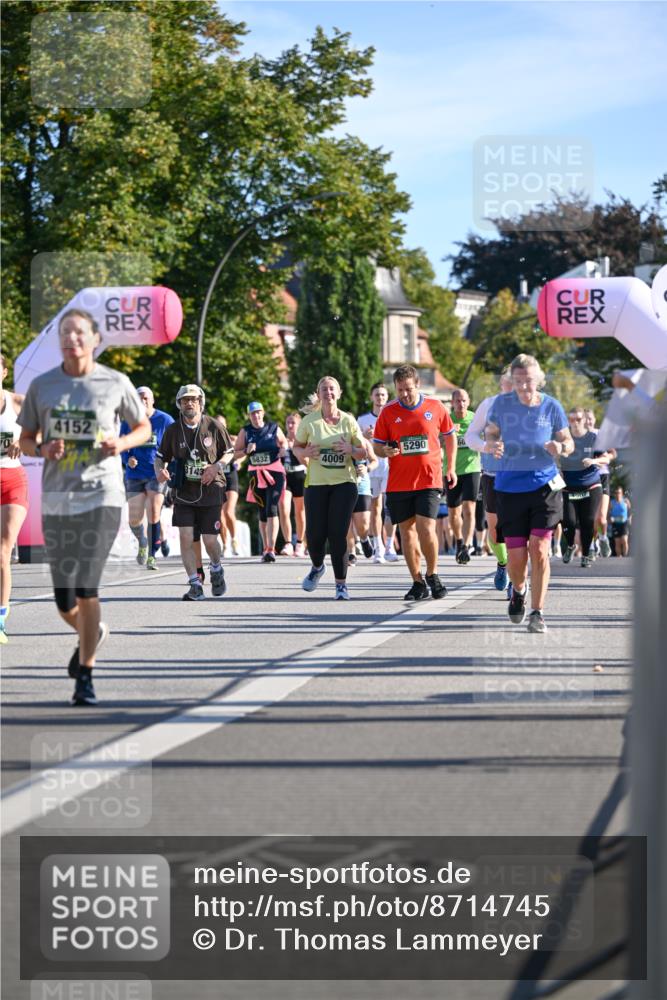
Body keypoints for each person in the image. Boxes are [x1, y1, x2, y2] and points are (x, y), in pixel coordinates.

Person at [18, 308, 150, 704]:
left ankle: (86, 675)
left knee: (87, 587)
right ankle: (91, 632)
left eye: (79, 333)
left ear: (94, 340)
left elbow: (142, 427)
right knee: (64, 598)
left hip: (103, 496)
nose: (71, 339)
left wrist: (121, 443)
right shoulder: (44, 386)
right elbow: (24, 439)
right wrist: (42, 448)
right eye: (65, 333)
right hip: (59, 500)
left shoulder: (114, 382)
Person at [484, 354, 574, 634]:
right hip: (510, 488)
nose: (524, 387)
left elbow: (568, 440)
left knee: (539, 549)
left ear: (540, 380)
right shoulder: (501, 405)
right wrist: (492, 445)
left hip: (544, 487)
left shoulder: (551, 406)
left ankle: (537, 612)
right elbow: (490, 434)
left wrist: (561, 449)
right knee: (516, 558)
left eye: (530, 381)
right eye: (519, 381)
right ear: (513, 381)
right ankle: (519, 590)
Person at [373, 365, 456, 601]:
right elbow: (377, 446)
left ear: (417, 385)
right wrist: (385, 451)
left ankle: (433, 574)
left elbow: (450, 436)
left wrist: (450, 468)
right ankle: (417, 582)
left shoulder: (435, 406)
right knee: (406, 532)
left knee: (426, 527)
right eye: (400, 390)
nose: (405, 395)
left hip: (429, 478)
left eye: (408, 389)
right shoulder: (388, 412)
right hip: (399, 482)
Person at [155, 384, 233, 600]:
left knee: (209, 540)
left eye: (194, 399)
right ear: (179, 405)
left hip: (210, 490)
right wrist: (160, 471)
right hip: (183, 492)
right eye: (185, 400)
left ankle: (216, 567)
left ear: (201, 402)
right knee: (186, 536)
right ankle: (195, 584)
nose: (189, 403)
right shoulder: (173, 430)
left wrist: (216, 467)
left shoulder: (214, 426)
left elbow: (228, 452)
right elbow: (160, 456)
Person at [293, 376, 366, 600]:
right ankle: (317, 567)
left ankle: (341, 585)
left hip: (344, 483)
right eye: (324, 389)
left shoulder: (348, 421)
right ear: (318, 393)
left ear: (339, 393)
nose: (328, 392)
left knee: (337, 534)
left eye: (332, 389)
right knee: (315, 536)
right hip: (316, 484)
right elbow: (296, 447)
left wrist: (349, 449)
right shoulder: (309, 421)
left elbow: (363, 451)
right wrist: (305, 454)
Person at [464, 367, 513, 592]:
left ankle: (516, 578)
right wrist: (486, 446)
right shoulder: (489, 404)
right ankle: (502, 563)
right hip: (492, 474)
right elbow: (470, 435)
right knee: (495, 530)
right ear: (502, 382)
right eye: (509, 380)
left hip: (520, 475)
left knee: (518, 528)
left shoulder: (532, 405)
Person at [121, 386, 174, 570]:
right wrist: (128, 459)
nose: (142, 401)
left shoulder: (165, 420)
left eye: (145, 398)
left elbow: (174, 445)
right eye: (138, 398)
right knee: (134, 518)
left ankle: (152, 555)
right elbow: (122, 446)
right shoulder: (128, 421)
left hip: (156, 473)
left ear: (152, 400)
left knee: (154, 510)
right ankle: (143, 541)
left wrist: (167, 465)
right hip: (135, 474)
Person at [234, 402, 288, 563]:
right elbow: (235, 453)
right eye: (252, 414)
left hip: (275, 472)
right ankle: (266, 547)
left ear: (263, 413)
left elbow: (284, 442)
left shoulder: (273, 428)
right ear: (249, 416)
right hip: (255, 474)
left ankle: (271, 549)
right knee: (263, 510)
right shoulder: (245, 431)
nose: (256, 416)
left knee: (272, 507)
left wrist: (283, 448)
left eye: (258, 413)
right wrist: (245, 451)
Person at [560, 407, 612, 569]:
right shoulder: (564, 438)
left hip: (591, 485)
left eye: (579, 419)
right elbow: (554, 457)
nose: (575, 422)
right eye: (572, 419)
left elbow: (607, 458)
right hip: (569, 488)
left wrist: (594, 461)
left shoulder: (593, 438)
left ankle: (586, 554)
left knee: (588, 521)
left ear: (584, 421)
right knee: (568, 521)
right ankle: (570, 546)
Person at [0, 354, 29, 644]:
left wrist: (22, 440)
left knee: (2, 552)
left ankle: (0, 618)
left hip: (12, 481)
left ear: (4, 372)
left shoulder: (18, 402)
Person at [357, 383, 399, 563]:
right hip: (372, 468)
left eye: (383, 395)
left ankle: (390, 546)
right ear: (371, 397)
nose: (380, 398)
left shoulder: (394, 416)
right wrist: (364, 438)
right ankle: (378, 548)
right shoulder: (363, 420)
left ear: (387, 397)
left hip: (391, 467)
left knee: (392, 509)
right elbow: (356, 446)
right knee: (375, 508)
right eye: (377, 395)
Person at [446, 388, 481, 565]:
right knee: (453, 513)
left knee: (469, 508)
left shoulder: (475, 419)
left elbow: (484, 439)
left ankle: (467, 546)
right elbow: (435, 442)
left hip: (472, 468)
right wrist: (449, 433)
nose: (461, 404)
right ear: (452, 403)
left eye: (464, 401)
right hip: (451, 470)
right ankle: (459, 541)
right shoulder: (446, 420)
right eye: (458, 401)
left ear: (468, 402)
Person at [583, 408, 615, 558]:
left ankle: (602, 538)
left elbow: (613, 452)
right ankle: (591, 544)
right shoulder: (577, 437)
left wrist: (606, 456)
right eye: (585, 419)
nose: (588, 421)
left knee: (601, 518)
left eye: (590, 418)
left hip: (602, 476)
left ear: (594, 419)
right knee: (590, 517)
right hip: (585, 479)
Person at [279, 412, 307, 557]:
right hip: (285, 477)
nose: (290, 426)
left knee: (299, 511)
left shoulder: (303, 440)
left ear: (299, 425)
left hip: (301, 476)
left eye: (293, 423)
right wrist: (280, 452)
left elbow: (308, 461)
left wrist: (295, 451)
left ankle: (300, 543)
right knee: (283, 507)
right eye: (288, 422)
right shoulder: (280, 440)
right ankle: (288, 543)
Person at [346, 443, 377, 565]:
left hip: (362, 486)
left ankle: (364, 539)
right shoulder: (337, 438)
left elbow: (375, 461)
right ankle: (351, 552)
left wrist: (367, 468)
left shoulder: (363, 441)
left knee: (363, 524)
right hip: (343, 484)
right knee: (346, 521)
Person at [216, 414, 243, 556]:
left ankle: (234, 540)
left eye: (222, 424)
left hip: (231, 477)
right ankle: (225, 544)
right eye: (217, 424)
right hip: (218, 479)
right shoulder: (210, 441)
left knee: (228, 511)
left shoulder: (233, 439)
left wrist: (240, 462)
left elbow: (244, 452)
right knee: (219, 515)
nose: (220, 426)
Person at [609, 486, 631, 556]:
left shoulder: (626, 501)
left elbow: (630, 511)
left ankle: (625, 556)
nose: (617, 494)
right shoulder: (612, 502)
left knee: (624, 540)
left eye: (619, 493)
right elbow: (608, 513)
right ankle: (619, 558)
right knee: (617, 542)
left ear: (621, 493)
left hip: (624, 523)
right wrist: (609, 519)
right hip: (615, 523)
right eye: (616, 493)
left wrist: (630, 518)